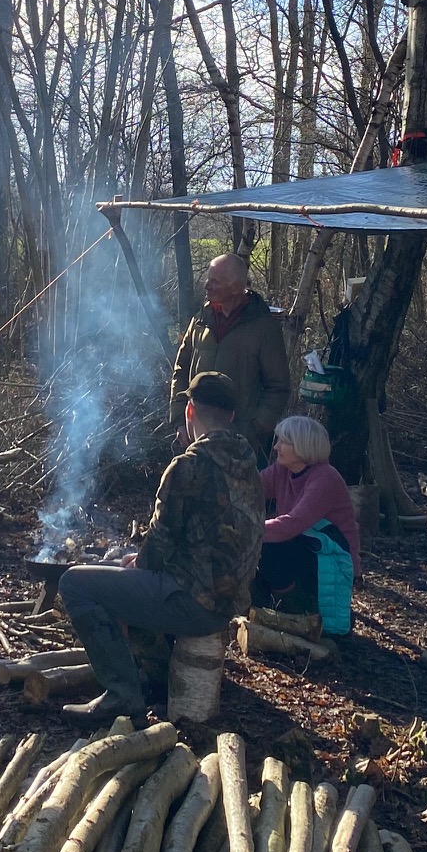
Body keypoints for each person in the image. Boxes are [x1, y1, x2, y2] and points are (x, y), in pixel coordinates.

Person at [57, 372, 264, 721]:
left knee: (75, 583)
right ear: (230, 416)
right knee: (121, 574)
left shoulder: (189, 465)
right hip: (229, 602)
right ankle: (154, 679)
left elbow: (158, 545)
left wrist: (137, 561)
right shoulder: (249, 466)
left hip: (193, 603)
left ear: (189, 411)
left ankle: (122, 695)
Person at [170, 253, 288, 461]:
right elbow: (181, 371)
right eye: (208, 279)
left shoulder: (264, 327)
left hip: (241, 448)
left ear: (236, 287)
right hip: (195, 440)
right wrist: (180, 420)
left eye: (215, 281)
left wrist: (253, 430)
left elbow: (278, 387)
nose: (207, 286)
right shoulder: (200, 320)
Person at [254, 415, 359, 631]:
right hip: (303, 549)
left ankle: (299, 613)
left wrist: (248, 531)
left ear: (302, 445)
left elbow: (293, 524)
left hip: (330, 560)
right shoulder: (282, 470)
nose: (276, 447)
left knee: (268, 550)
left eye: (283, 442)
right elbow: (251, 487)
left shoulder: (325, 478)